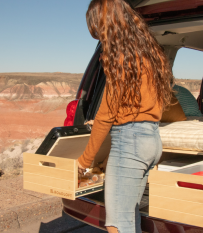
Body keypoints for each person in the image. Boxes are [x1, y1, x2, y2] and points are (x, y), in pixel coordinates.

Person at [77, 0, 174, 232]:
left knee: (118, 226)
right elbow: (141, 104)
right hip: (151, 140)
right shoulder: (151, 53)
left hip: (129, 144)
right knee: (130, 216)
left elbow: (106, 113)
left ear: (107, 25)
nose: (101, 40)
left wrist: (84, 161)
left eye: (100, 32)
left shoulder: (121, 57)